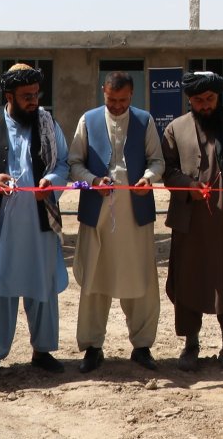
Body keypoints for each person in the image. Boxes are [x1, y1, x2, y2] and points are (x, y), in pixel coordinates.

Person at [0, 64, 71, 383]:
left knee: (42, 286)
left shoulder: (48, 124)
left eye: (36, 95)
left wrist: (50, 182)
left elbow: (63, 162)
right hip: (0, 223)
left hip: (39, 221)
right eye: (26, 96)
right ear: (9, 96)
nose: (34, 101)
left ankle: (43, 350)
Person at [161, 70, 223, 371]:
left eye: (210, 99)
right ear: (189, 100)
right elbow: (167, 169)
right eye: (198, 100)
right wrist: (187, 187)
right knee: (188, 280)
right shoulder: (175, 129)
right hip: (189, 222)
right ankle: (190, 345)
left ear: (218, 97)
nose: (205, 105)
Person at [67, 71, 164, 373]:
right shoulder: (89, 120)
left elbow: (157, 161)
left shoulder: (144, 121)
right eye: (112, 100)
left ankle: (143, 345)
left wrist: (148, 179)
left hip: (135, 215)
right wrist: (93, 180)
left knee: (141, 278)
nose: (118, 106)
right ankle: (93, 347)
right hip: (97, 213)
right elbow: (74, 163)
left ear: (132, 96)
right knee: (95, 279)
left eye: (123, 101)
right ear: (103, 93)